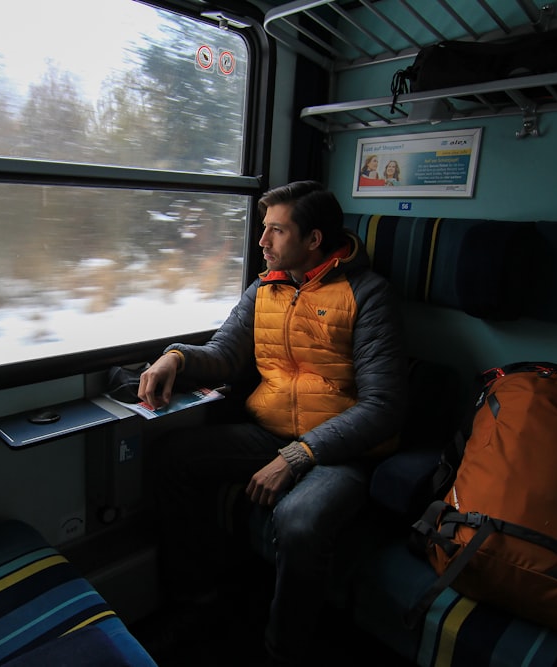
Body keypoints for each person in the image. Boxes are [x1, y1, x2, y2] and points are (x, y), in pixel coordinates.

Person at [138, 180, 408, 666]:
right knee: (171, 457)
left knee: (298, 521)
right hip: (269, 431)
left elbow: (384, 405)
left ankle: (282, 651)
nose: (262, 241)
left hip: (339, 451)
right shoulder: (266, 287)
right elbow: (224, 353)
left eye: (276, 231)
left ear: (313, 240)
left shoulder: (369, 295)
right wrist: (174, 358)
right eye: (264, 229)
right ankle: (197, 602)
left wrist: (301, 454)